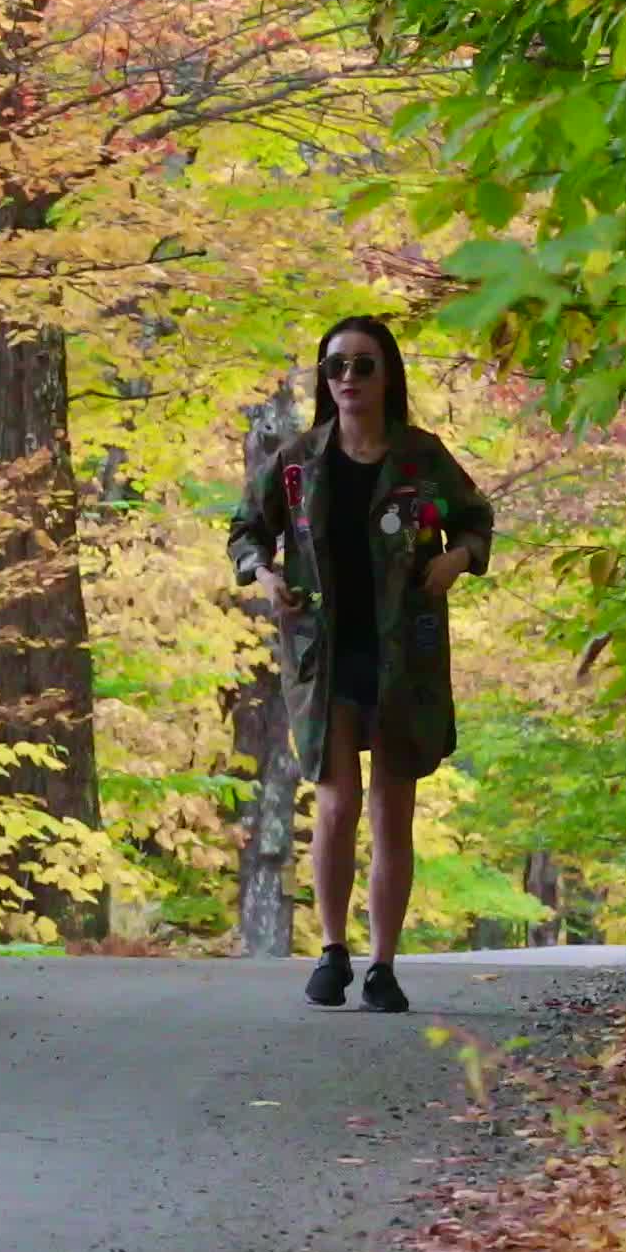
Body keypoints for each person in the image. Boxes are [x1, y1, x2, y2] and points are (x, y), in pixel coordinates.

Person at [226, 315, 496, 1013]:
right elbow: (246, 529)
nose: (348, 378)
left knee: (391, 810)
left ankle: (383, 965)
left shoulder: (421, 460)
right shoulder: (297, 463)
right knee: (337, 803)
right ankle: (332, 950)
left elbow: (474, 517)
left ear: (388, 376)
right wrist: (265, 576)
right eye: (336, 366)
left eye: (363, 365)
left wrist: (457, 560)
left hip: (403, 649)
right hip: (323, 651)